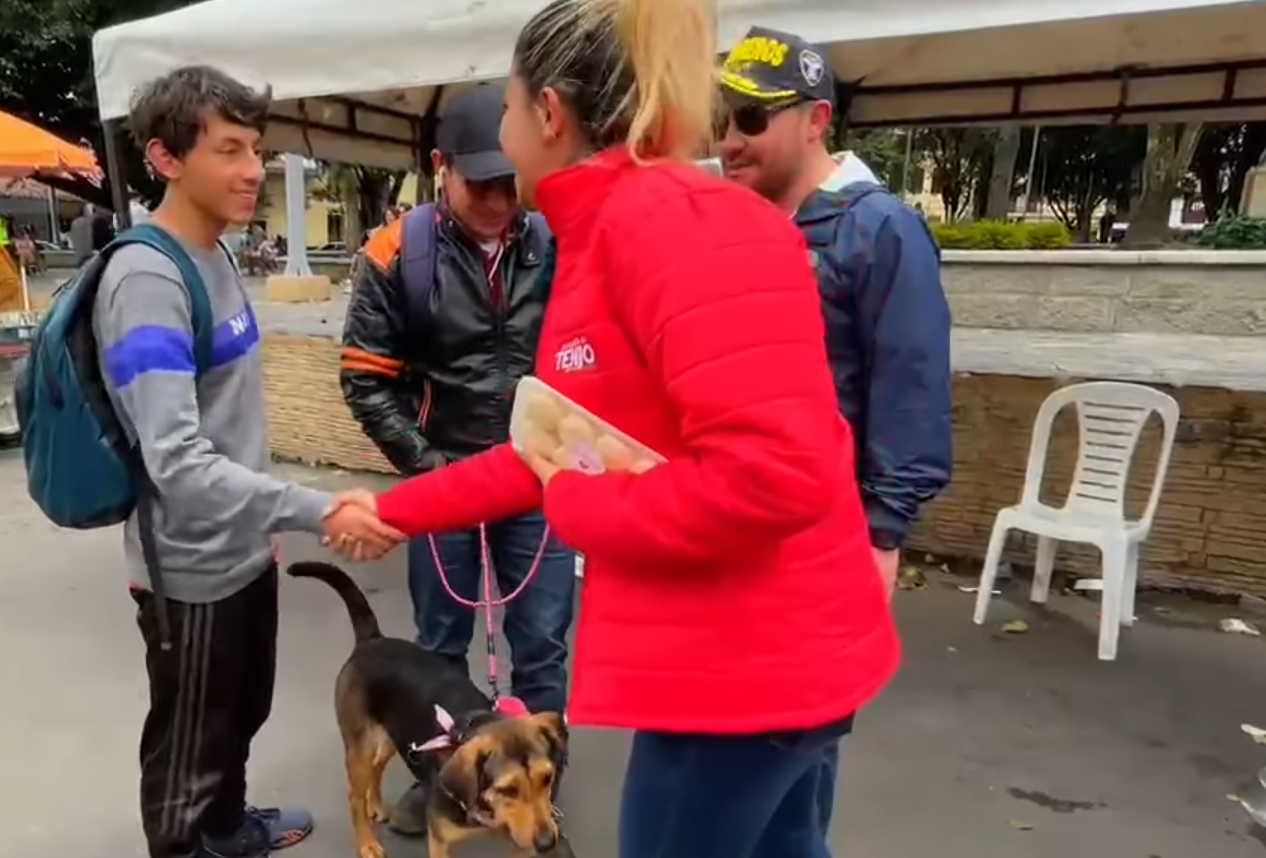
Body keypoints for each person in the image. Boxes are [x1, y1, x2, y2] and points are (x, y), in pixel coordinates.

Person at [326, 0, 899, 855]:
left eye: (511, 106)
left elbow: (772, 474)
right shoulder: (600, 235)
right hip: (747, 665)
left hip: (748, 673)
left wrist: (582, 509)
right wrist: (394, 511)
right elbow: (551, 449)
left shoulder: (675, 227)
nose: (507, 129)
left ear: (548, 114)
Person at [93, 65, 399, 858]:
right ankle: (188, 844)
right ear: (165, 159)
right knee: (187, 744)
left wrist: (267, 525)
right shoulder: (147, 280)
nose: (251, 169)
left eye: (255, 149)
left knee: (240, 712)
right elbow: (179, 463)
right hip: (187, 568)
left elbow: (229, 423)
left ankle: (227, 828)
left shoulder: (218, 256)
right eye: (228, 149)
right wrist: (319, 507)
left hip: (242, 549)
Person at [338, 80, 576, 837]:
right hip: (446, 480)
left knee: (541, 644)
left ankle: (537, 791)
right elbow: (365, 379)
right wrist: (432, 467)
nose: (502, 200)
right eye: (482, 185)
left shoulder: (558, 240)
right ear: (441, 167)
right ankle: (437, 783)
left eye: (512, 181)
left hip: (540, 482)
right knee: (437, 650)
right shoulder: (394, 253)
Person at [717, 27, 953, 599]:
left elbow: (910, 389)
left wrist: (882, 536)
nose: (727, 142)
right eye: (722, 121)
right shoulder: (740, 224)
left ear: (816, 120)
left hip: (829, 537)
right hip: (734, 526)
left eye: (750, 119)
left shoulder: (879, 230)